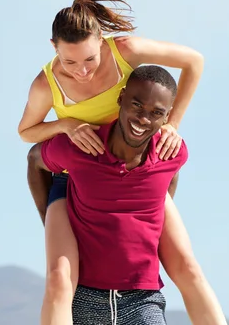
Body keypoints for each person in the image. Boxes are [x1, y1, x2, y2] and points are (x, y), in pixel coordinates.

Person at [19, 0, 226, 325]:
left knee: (188, 266)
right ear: (53, 48)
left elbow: (194, 62)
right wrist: (67, 124)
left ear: (101, 40)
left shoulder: (125, 51)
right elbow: (26, 132)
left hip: (135, 171)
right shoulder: (46, 84)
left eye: (89, 59)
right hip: (74, 176)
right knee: (59, 280)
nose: (81, 70)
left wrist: (172, 124)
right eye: (69, 61)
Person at [29, 66, 191, 324]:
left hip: (142, 300)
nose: (143, 119)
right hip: (82, 299)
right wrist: (50, 216)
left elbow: (170, 171)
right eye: (137, 105)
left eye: (156, 113)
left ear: (167, 116)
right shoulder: (82, 148)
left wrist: (151, 218)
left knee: (191, 271)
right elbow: (35, 158)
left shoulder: (170, 152)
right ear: (121, 98)